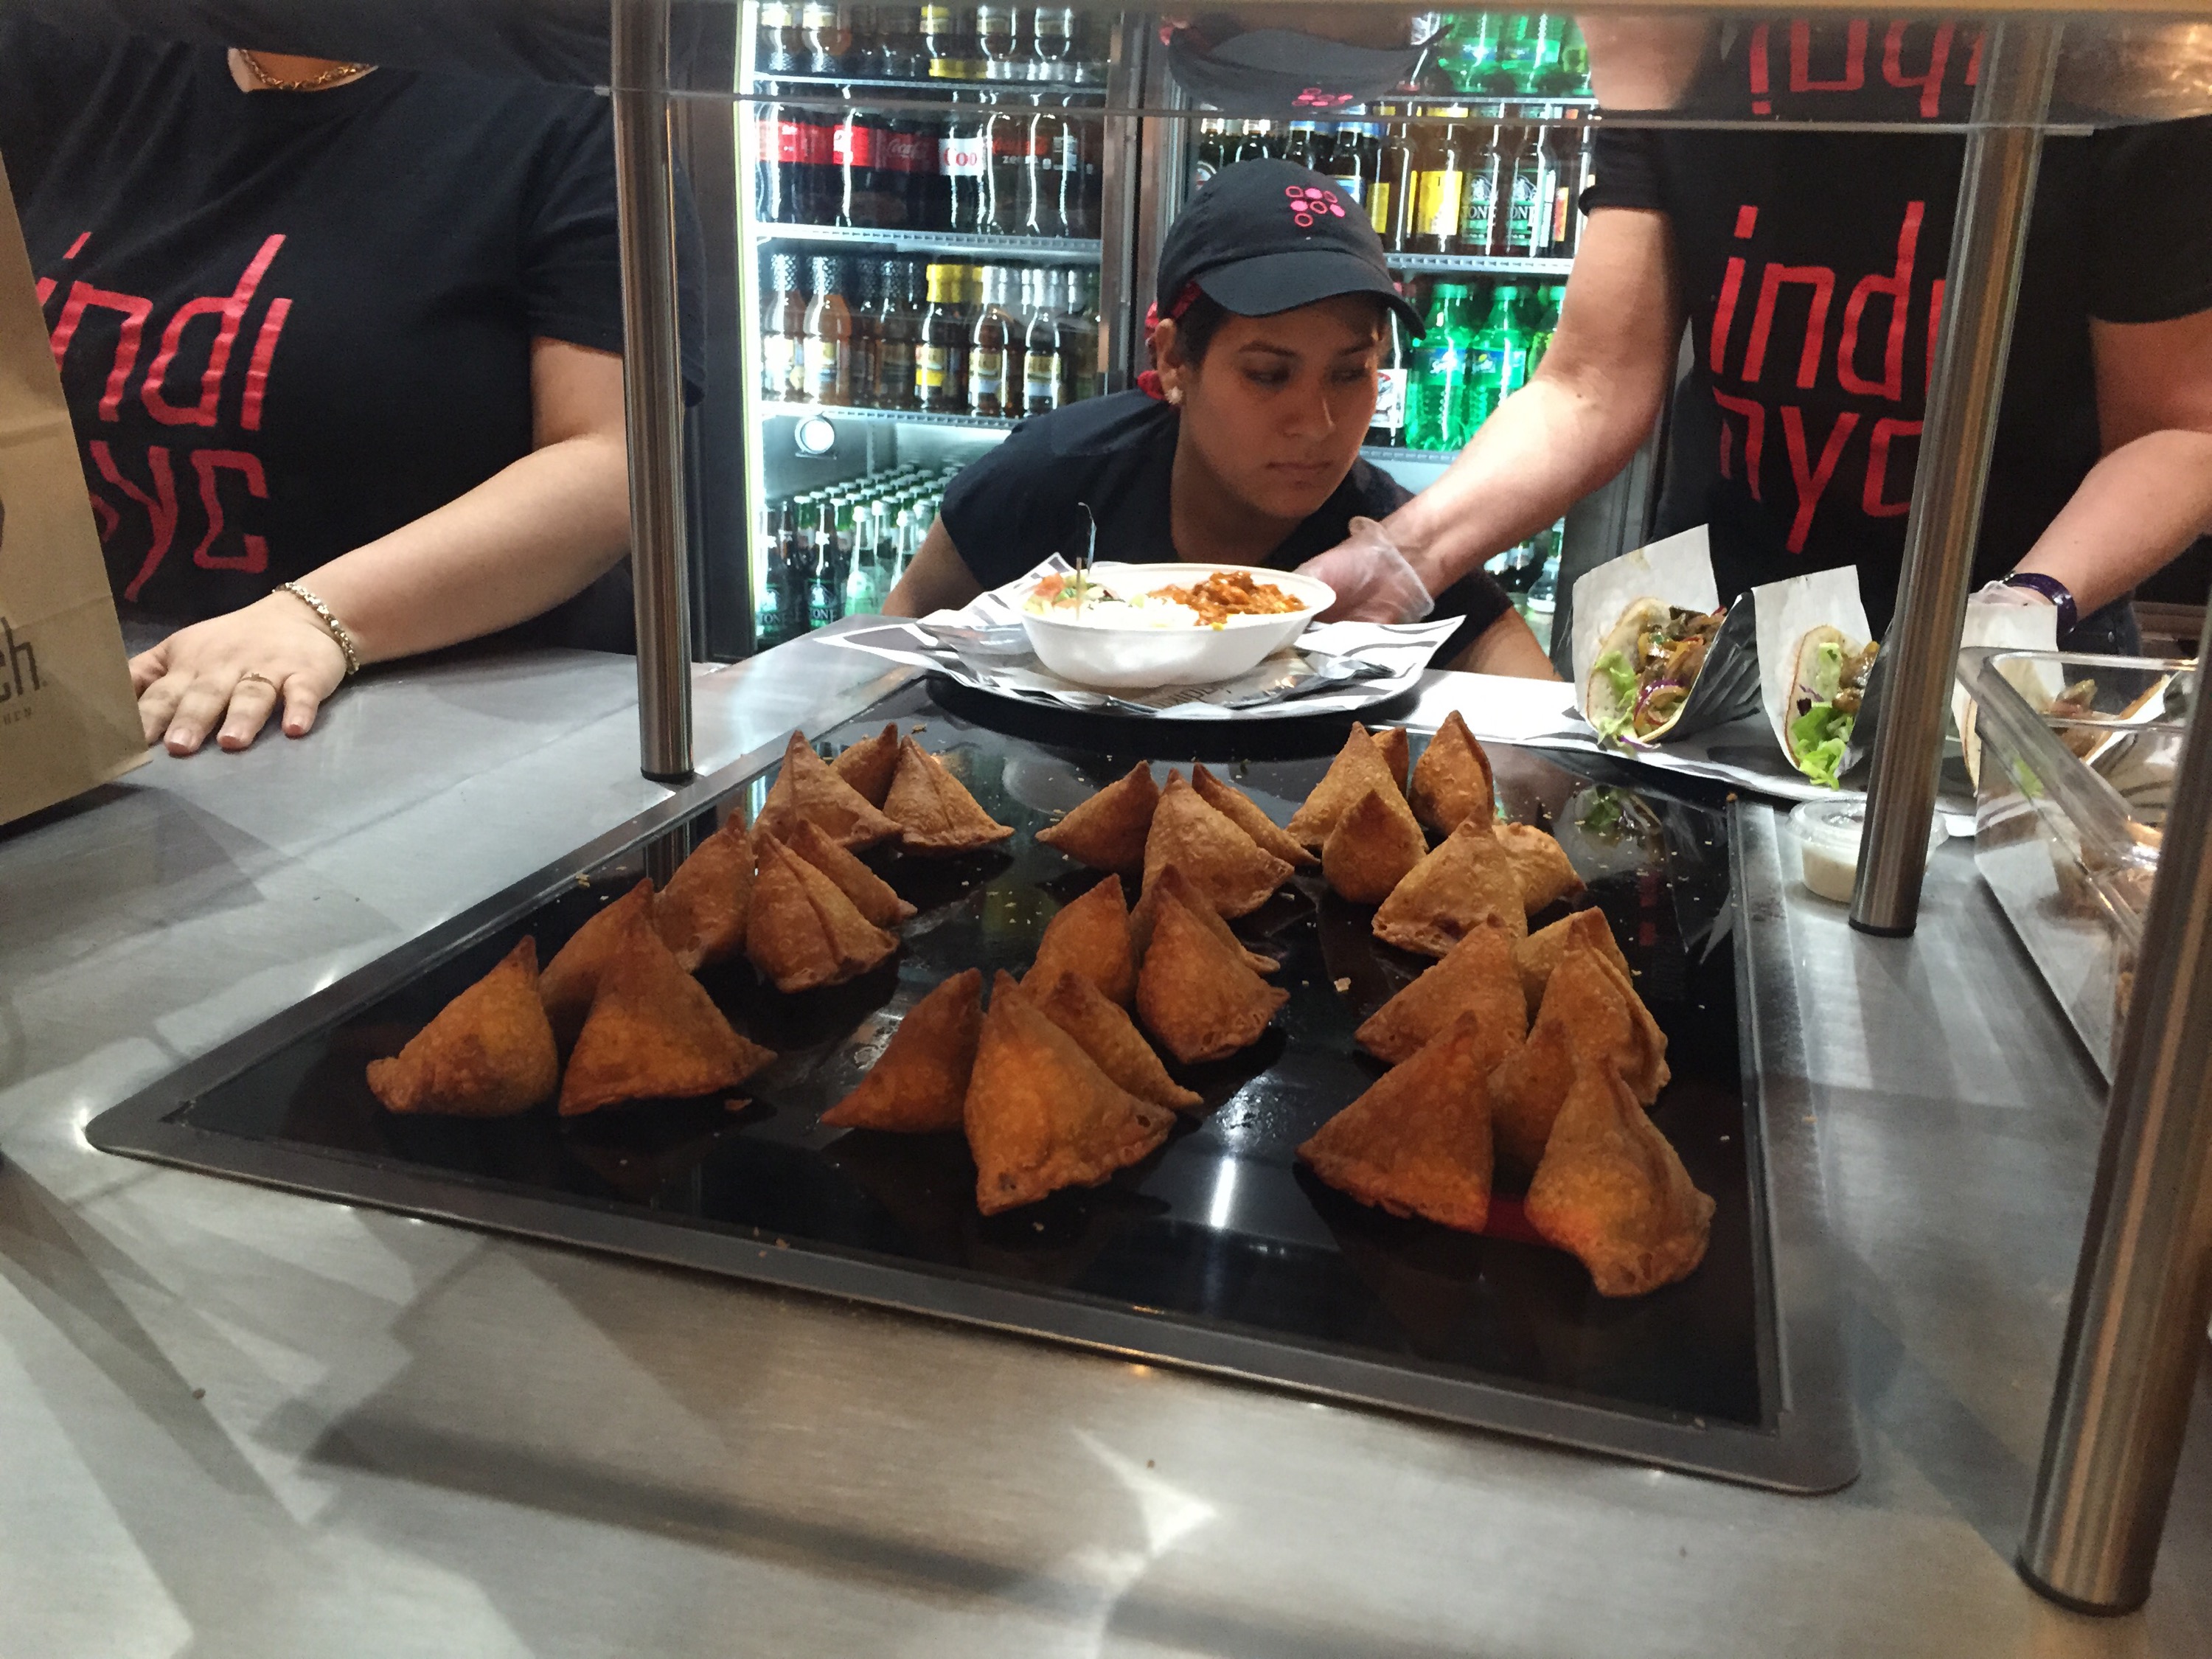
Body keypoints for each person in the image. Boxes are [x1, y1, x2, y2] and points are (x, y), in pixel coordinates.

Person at [1338, 17, 2212, 660]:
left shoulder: (2134, 52)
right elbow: (1590, 386)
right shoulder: (1689, 42)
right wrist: (1399, 560)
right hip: (1717, 639)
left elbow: (2180, 429)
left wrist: (2023, 611)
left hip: (2018, 638)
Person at [0, 21, 645, 756]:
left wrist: (314, 617)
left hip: (448, 728)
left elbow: (610, 462)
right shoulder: (70, 51)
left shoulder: (567, 112)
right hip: (90, 703)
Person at [883, 157, 1554, 678]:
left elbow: (1529, 707)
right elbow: (902, 637)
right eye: (1268, 374)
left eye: (1351, 373)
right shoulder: (1052, 475)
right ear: (1175, 360)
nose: (1317, 423)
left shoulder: (1384, 541)